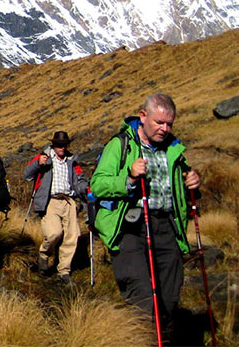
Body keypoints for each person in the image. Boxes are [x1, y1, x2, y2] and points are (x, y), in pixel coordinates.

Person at [91, 93, 200, 339]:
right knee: (141, 297)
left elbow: (179, 187)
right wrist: (128, 178)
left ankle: (166, 340)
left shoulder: (174, 150)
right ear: (143, 116)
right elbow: (97, 185)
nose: (164, 128)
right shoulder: (120, 144)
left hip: (167, 228)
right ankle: (143, 341)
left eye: (169, 123)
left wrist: (193, 183)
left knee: (169, 299)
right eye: (159, 122)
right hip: (129, 227)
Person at [23, 131, 88, 283]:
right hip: (50, 200)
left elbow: (79, 180)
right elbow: (27, 175)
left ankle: (64, 271)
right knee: (53, 233)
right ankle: (44, 254)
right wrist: (37, 164)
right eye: (59, 145)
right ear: (53, 144)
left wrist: (85, 188)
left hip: (69, 201)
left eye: (64, 145)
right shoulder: (44, 157)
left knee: (72, 237)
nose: (62, 148)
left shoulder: (72, 161)